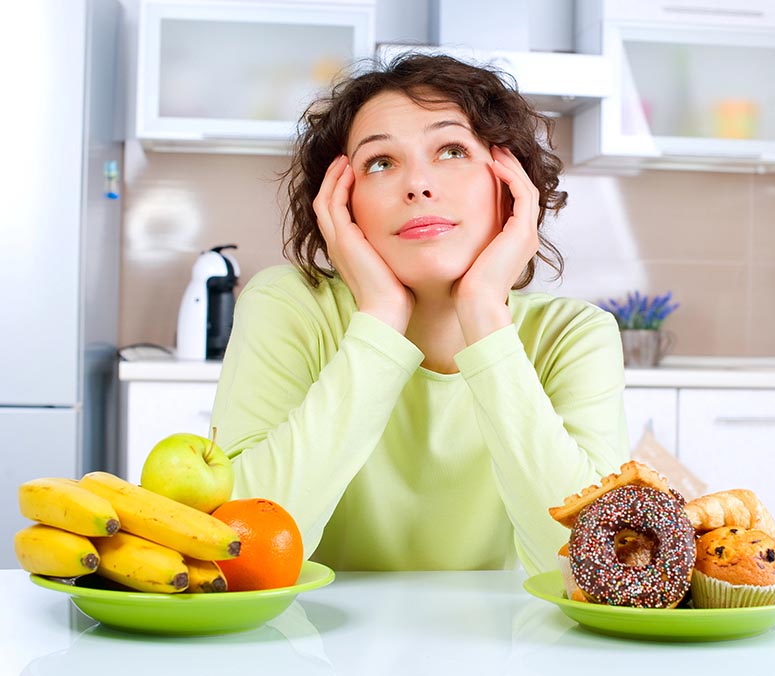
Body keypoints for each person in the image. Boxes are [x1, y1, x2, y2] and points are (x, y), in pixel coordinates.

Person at [209, 53, 628, 575]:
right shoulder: (289, 305)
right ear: (342, 203)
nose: (418, 185)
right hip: (309, 646)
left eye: (452, 150)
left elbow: (595, 568)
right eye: (380, 162)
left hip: (513, 649)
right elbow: (237, 549)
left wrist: (484, 317)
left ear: (511, 185)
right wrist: (381, 319)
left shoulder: (574, 335)